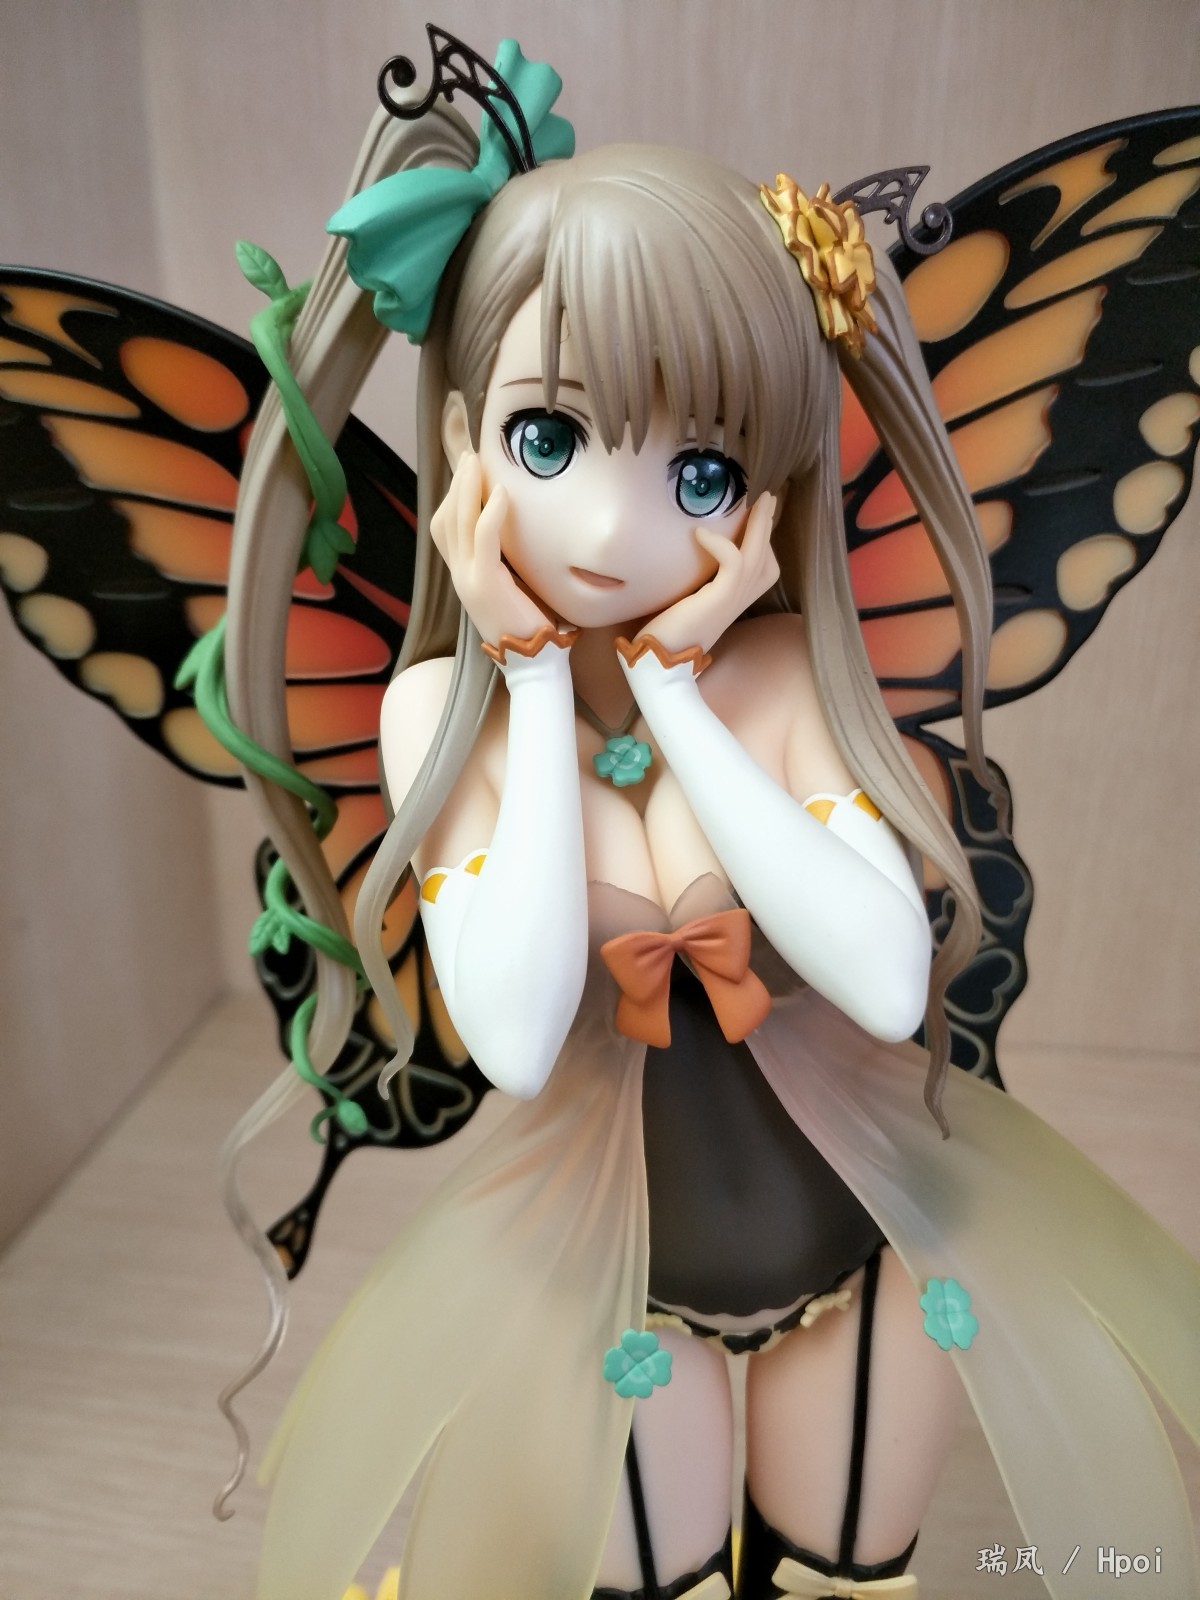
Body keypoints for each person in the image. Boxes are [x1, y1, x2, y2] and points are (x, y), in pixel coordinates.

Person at [218, 38, 1200, 1600]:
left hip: (865, 1231)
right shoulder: (441, 713)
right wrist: (532, 675)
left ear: (770, 482)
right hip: (614, 1274)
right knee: (641, 1576)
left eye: (699, 468)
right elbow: (513, 1036)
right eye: (550, 441)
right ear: (464, 441)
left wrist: (677, 692)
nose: (615, 528)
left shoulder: (787, 675)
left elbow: (883, 975)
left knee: (843, 1566)